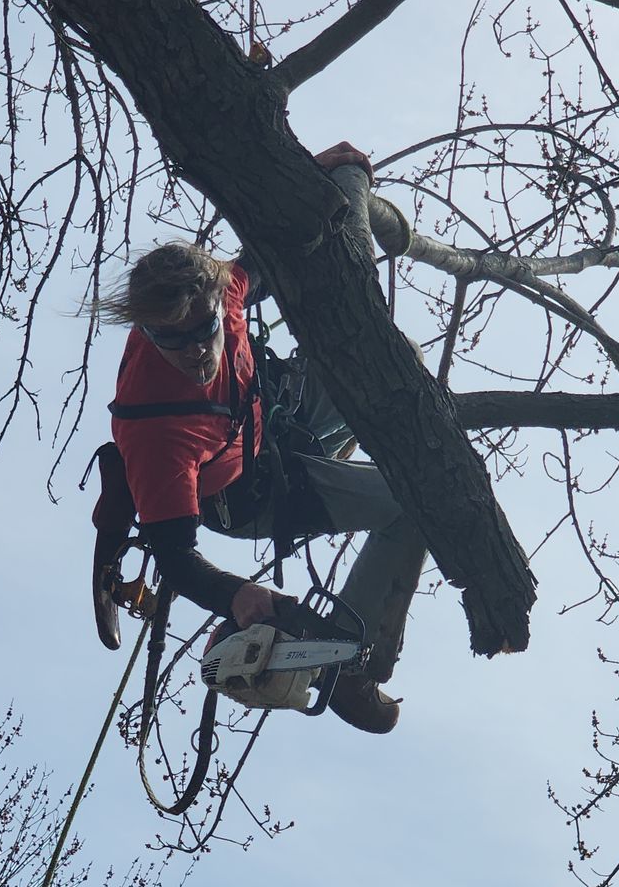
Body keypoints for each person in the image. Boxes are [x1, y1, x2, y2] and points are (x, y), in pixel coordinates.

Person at [93, 143, 427, 734]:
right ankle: (359, 665)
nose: (194, 351)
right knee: (413, 501)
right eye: (173, 340)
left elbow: (265, 243)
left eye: (202, 332)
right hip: (252, 492)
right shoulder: (157, 430)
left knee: (394, 362)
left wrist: (313, 173)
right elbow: (177, 559)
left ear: (216, 307)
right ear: (149, 330)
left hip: (277, 420)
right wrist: (239, 596)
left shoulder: (225, 293)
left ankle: (348, 452)